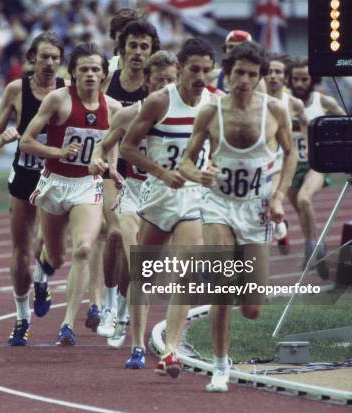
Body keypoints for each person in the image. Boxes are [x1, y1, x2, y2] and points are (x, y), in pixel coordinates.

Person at [179, 41, 297, 392]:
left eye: (251, 73)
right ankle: (219, 365)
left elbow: (291, 155)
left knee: (252, 308)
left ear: (259, 77)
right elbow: (186, 159)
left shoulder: (275, 111)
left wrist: (278, 197)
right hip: (218, 205)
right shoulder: (210, 112)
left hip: (256, 208)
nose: (244, 79)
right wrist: (196, 173)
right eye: (238, 73)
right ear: (226, 75)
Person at [120, 38, 222, 373]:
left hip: (193, 196)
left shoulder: (215, 102)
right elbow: (128, 149)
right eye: (194, 69)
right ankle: (136, 344)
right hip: (159, 194)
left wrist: (213, 169)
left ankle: (171, 351)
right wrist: (162, 172)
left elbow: (221, 149)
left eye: (207, 70)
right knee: (143, 275)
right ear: (179, 68)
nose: (201, 76)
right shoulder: (159, 102)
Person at [20, 42, 122, 346]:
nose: (90, 74)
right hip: (54, 183)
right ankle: (42, 275)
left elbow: (113, 143)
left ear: (104, 74)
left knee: (83, 249)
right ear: (73, 74)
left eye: (95, 69)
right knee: (56, 255)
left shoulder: (113, 108)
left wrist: (110, 167)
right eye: (84, 69)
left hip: (85, 186)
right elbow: (26, 142)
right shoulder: (58, 100)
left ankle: (67, 324)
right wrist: (60, 151)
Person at [89, 50, 178, 348]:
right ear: (147, 81)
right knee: (132, 252)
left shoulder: (187, 115)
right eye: (159, 80)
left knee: (145, 269)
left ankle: (125, 316)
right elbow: (103, 146)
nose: (165, 87)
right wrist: (102, 163)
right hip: (131, 192)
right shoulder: (129, 114)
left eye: (171, 80)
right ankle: (113, 312)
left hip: (164, 197)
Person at [0, 32, 65, 346]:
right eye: (43, 56)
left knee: (51, 249)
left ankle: (42, 278)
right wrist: (2, 138)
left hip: (58, 176)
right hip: (25, 174)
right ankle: (22, 317)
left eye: (55, 57)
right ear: (32, 59)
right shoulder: (16, 90)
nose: (49, 63)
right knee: (21, 253)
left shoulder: (67, 91)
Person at [93, 19, 160, 338]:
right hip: (112, 169)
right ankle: (107, 306)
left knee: (142, 253)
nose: (137, 52)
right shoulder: (109, 80)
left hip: (152, 179)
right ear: (122, 49)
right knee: (116, 235)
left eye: (144, 47)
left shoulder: (160, 85)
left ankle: (121, 308)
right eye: (132, 46)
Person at [286, 57, 345, 278]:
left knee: (304, 199)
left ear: (313, 80)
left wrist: (329, 146)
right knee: (302, 210)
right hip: (291, 166)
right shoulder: (283, 101)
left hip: (315, 164)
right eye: (295, 79)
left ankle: (310, 247)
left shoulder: (323, 102)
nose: (300, 83)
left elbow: (345, 123)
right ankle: (318, 247)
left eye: (304, 79)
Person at [264, 53, 309, 255]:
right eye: (270, 71)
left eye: (278, 72)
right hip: (259, 160)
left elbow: (305, 121)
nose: (273, 76)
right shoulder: (255, 99)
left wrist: (307, 145)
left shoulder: (293, 104)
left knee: (271, 200)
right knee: (266, 208)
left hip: (281, 162)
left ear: (285, 77)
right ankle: (281, 229)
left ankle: (277, 230)